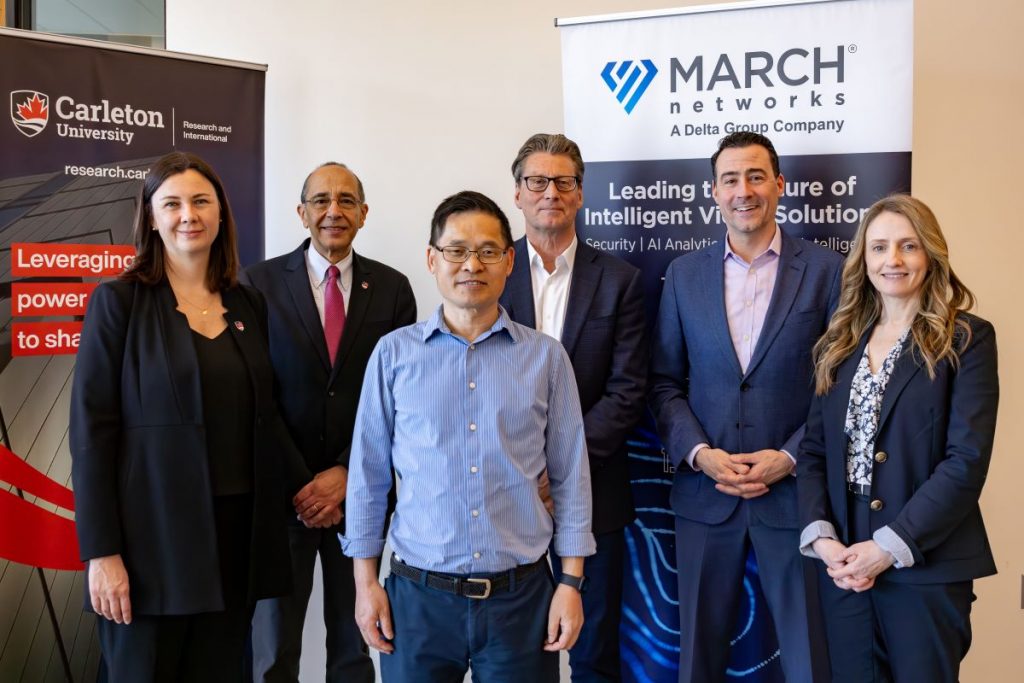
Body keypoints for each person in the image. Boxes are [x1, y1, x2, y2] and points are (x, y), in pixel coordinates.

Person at [341, 190, 596, 682]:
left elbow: (571, 478)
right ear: (432, 259)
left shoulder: (546, 358)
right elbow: (368, 478)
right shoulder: (393, 356)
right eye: (456, 250)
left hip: (520, 600)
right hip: (417, 602)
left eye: (487, 251)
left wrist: (570, 582)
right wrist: (364, 583)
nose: (471, 265)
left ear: (509, 262)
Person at [70, 151, 303, 680]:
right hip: (150, 545)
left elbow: (264, 415)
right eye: (172, 204)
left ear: (220, 213)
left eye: (201, 201)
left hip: (236, 541)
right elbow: (91, 433)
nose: (188, 215)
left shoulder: (248, 304)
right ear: (151, 218)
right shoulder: (118, 302)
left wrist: (312, 486)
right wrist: (102, 553)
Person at [649, 131, 840, 683]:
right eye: (730, 179)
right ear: (713, 191)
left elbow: (840, 385)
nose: (743, 190)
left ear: (779, 184)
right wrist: (700, 454)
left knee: (810, 657)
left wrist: (791, 456)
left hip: (797, 496)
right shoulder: (683, 275)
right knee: (697, 662)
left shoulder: (827, 271)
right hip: (706, 495)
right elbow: (663, 383)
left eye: (756, 176)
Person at [797, 194, 998, 682]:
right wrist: (822, 539)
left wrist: (889, 546)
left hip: (925, 562)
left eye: (908, 246)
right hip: (844, 564)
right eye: (880, 247)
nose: (894, 260)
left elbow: (965, 461)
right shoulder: (839, 343)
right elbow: (814, 451)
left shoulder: (966, 339)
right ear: (863, 259)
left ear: (930, 254)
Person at [243, 162, 416, 683]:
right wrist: (303, 482)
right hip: (282, 496)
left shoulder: (393, 289)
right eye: (320, 200)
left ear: (364, 213)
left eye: (346, 201)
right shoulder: (257, 284)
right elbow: (255, 396)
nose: (333, 211)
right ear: (301, 213)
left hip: (361, 497)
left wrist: (347, 474)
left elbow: (400, 399)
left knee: (354, 645)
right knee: (271, 653)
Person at [500, 133, 647, 682]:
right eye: (537, 181)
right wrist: (526, 469)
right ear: (518, 193)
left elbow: (627, 391)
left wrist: (559, 468)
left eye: (564, 182)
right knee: (514, 656)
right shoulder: (488, 271)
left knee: (593, 654)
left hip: (595, 496)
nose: (551, 193)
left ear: (581, 193)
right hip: (504, 499)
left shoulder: (620, 281)